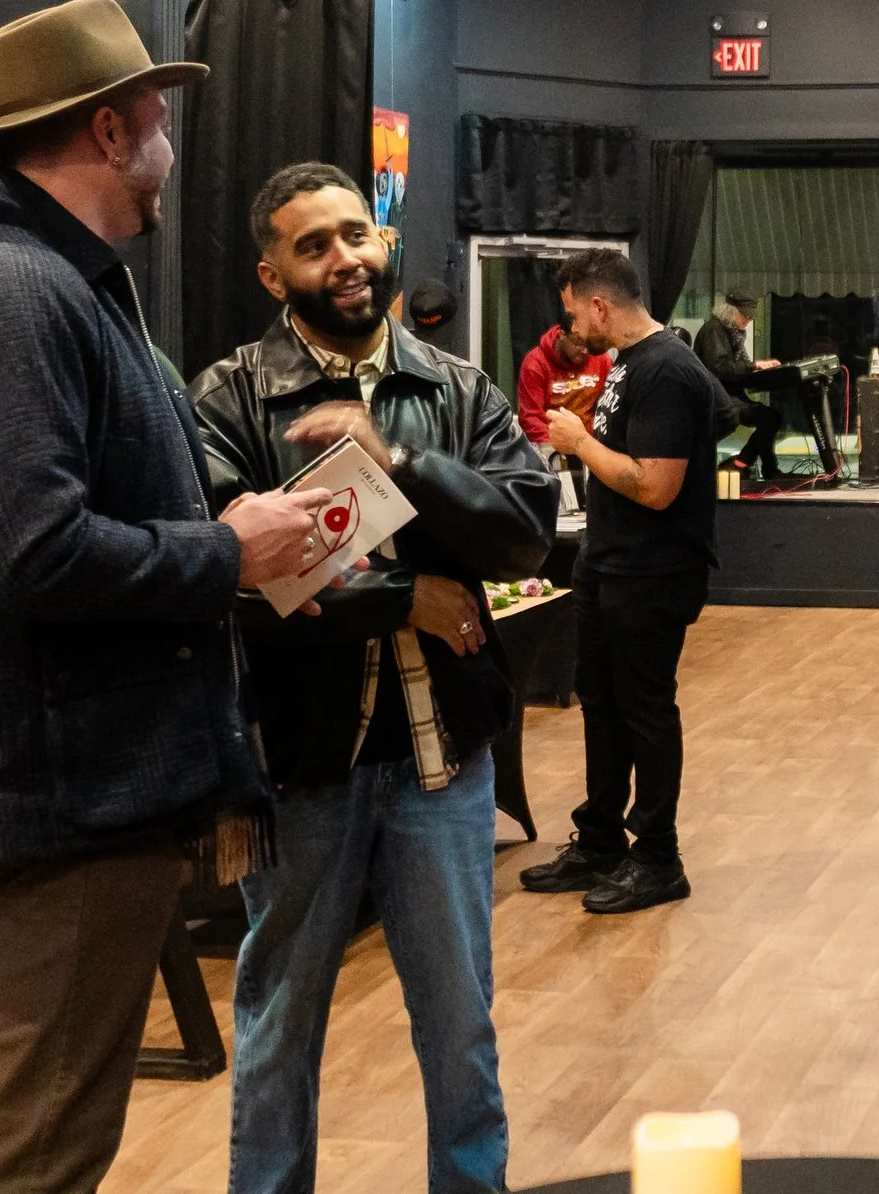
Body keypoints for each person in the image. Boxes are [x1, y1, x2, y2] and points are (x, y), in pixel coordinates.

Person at [0, 0, 339, 1194]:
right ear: (111, 131)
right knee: (42, 1142)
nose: (170, 145)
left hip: (95, 777)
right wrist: (224, 554)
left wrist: (245, 551)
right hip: (67, 784)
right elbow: (28, 554)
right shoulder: (5, 295)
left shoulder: (57, 285)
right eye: (159, 119)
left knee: (54, 1124)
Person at [190, 162, 557, 1194]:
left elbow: (525, 537)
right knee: (279, 1026)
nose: (346, 258)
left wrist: (397, 459)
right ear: (273, 274)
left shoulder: (457, 387)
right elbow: (228, 579)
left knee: (461, 1025)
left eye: (356, 233)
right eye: (313, 245)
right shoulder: (227, 397)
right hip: (300, 764)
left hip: (445, 761)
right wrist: (404, 597)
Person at [518, 248, 717, 913]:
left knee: (645, 708)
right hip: (606, 562)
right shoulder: (630, 363)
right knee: (601, 703)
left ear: (600, 305)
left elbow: (655, 487)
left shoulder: (667, 369)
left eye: (574, 313)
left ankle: (658, 857)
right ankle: (601, 840)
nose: (572, 327)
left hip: (653, 571)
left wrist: (578, 443)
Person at [692, 292, 784, 485]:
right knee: (768, 418)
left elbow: (736, 370)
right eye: (746, 316)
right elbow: (720, 368)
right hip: (719, 398)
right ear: (732, 313)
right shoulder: (713, 330)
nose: (748, 321)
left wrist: (766, 374)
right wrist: (753, 366)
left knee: (771, 417)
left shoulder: (732, 333)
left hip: (731, 395)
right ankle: (747, 465)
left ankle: (749, 464)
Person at [515, 315, 613, 450]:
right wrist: (555, 449)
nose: (585, 351)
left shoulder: (601, 359)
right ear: (562, 335)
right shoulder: (535, 364)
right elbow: (531, 418)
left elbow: (612, 405)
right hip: (550, 445)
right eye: (578, 344)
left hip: (590, 444)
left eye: (588, 346)